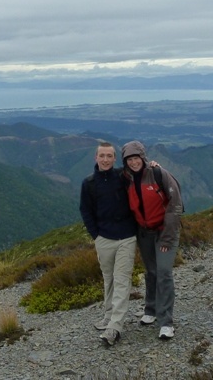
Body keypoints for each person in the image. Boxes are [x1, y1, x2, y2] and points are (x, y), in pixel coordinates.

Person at [120, 140, 183, 340]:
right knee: (152, 272)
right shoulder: (125, 179)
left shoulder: (158, 174)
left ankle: (166, 322)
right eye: (129, 159)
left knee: (164, 272)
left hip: (165, 232)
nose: (133, 162)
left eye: (136, 158)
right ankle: (151, 309)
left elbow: (175, 205)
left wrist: (166, 239)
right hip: (144, 233)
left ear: (143, 157)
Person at [79, 142, 138, 346]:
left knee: (122, 279)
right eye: (102, 155)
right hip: (104, 239)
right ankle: (108, 314)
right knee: (109, 279)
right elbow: (85, 211)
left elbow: (142, 171)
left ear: (115, 159)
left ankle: (115, 327)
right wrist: (96, 235)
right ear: (96, 158)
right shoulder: (89, 184)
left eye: (109, 156)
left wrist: (155, 166)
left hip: (127, 238)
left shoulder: (124, 177)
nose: (105, 159)